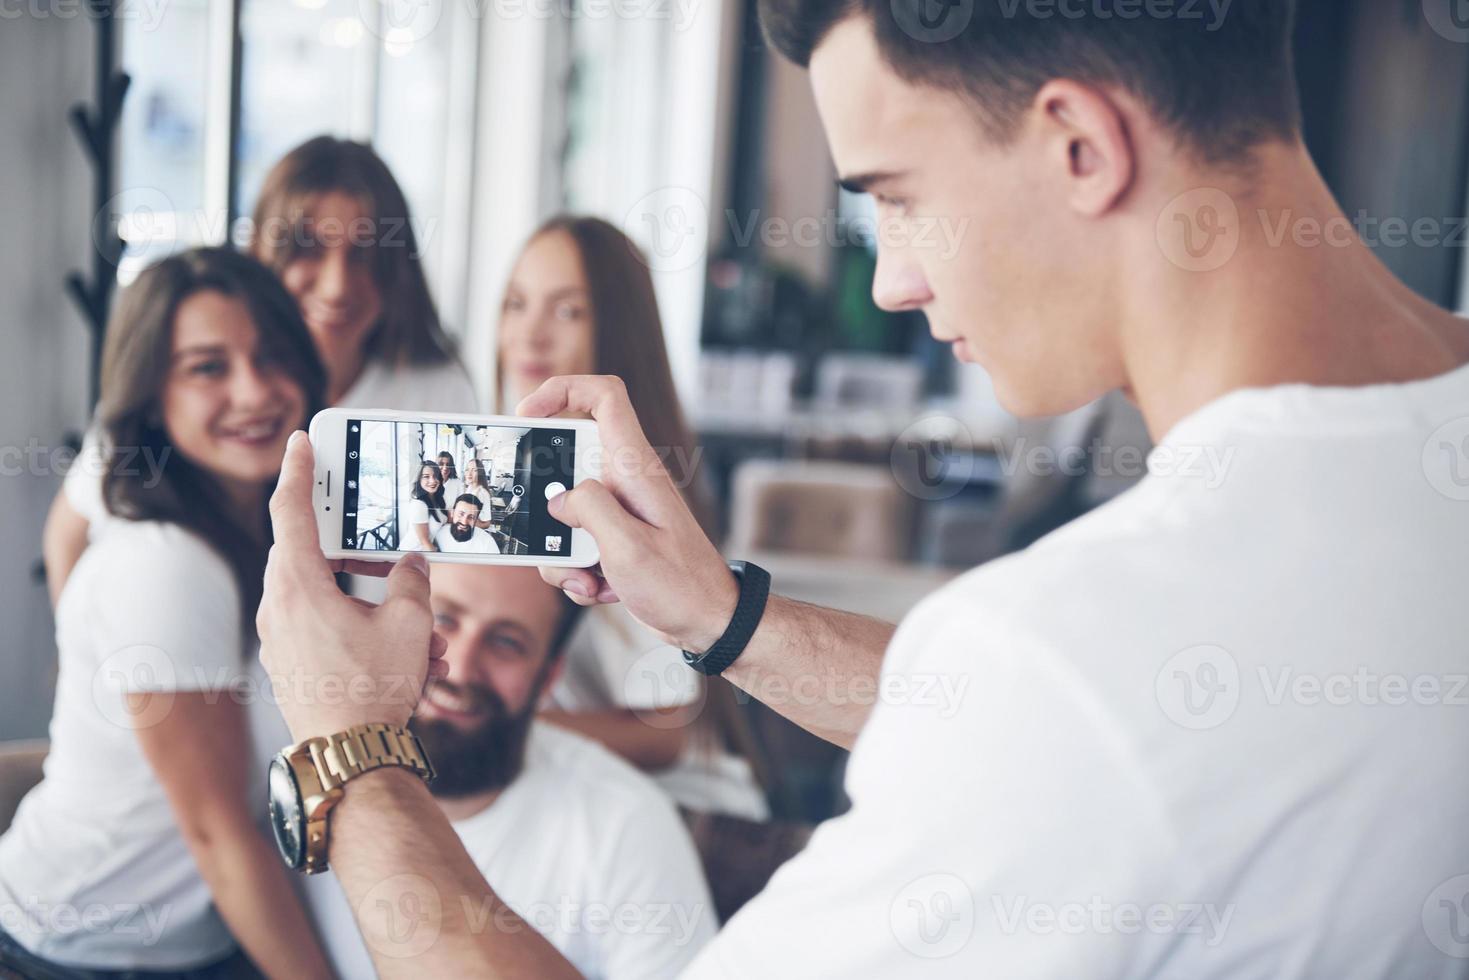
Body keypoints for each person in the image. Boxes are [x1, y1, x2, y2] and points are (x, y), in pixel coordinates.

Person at [255, 0, 1469, 975]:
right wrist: (717, 611)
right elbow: (1050, 718)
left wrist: (350, 749)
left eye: (894, 195)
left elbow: (1065, 712)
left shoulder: (1070, 660)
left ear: (1079, 147)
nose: (888, 278)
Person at [0, 248, 333, 978]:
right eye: (207, 367)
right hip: (82, 951)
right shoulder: (168, 564)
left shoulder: (264, 525)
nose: (253, 392)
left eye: (272, 356)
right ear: (152, 393)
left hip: (191, 936)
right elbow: (217, 833)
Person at [42, 135, 477, 604]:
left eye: (364, 256)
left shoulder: (436, 390)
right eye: (309, 249)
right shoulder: (174, 402)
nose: (335, 287)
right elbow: (69, 530)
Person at [299, 563, 715, 979]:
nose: (460, 668)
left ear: (549, 676)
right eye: (443, 620)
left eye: (506, 642)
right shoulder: (313, 777)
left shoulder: (628, 826)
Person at [498, 216, 769, 820]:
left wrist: (501, 731)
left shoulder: (626, 494)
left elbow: (666, 726)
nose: (529, 335)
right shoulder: (514, 465)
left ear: (616, 330)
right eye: (516, 304)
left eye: (568, 312)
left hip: (686, 813)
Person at [402, 460, 449, 551]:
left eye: (435, 476)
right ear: (419, 480)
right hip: (412, 553)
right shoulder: (419, 505)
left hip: (426, 551)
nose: (432, 481)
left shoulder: (437, 500)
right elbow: (425, 542)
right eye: (426, 477)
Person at [432, 495, 501, 554]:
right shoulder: (438, 535)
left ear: (476, 519)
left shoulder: (487, 542)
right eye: (461, 514)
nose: (464, 522)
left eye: (471, 517)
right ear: (452, 513)